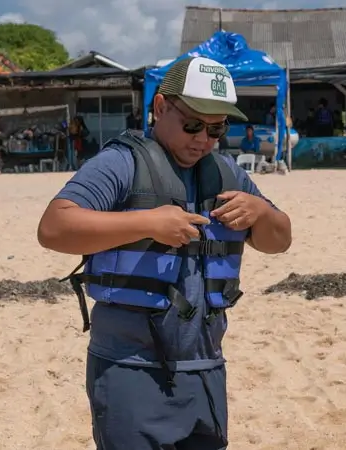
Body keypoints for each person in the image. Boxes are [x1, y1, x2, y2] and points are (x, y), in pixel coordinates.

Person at [36, 56, 292, 450]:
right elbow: (54, 227)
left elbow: (280, 240)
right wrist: (148, 224)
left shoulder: (228, 173)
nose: (204, 139)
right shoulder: (121, 163)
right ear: (160, 107)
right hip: (129, 370)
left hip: (205, 369)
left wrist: (262, 212)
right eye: (193, 124)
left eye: (217, 127)